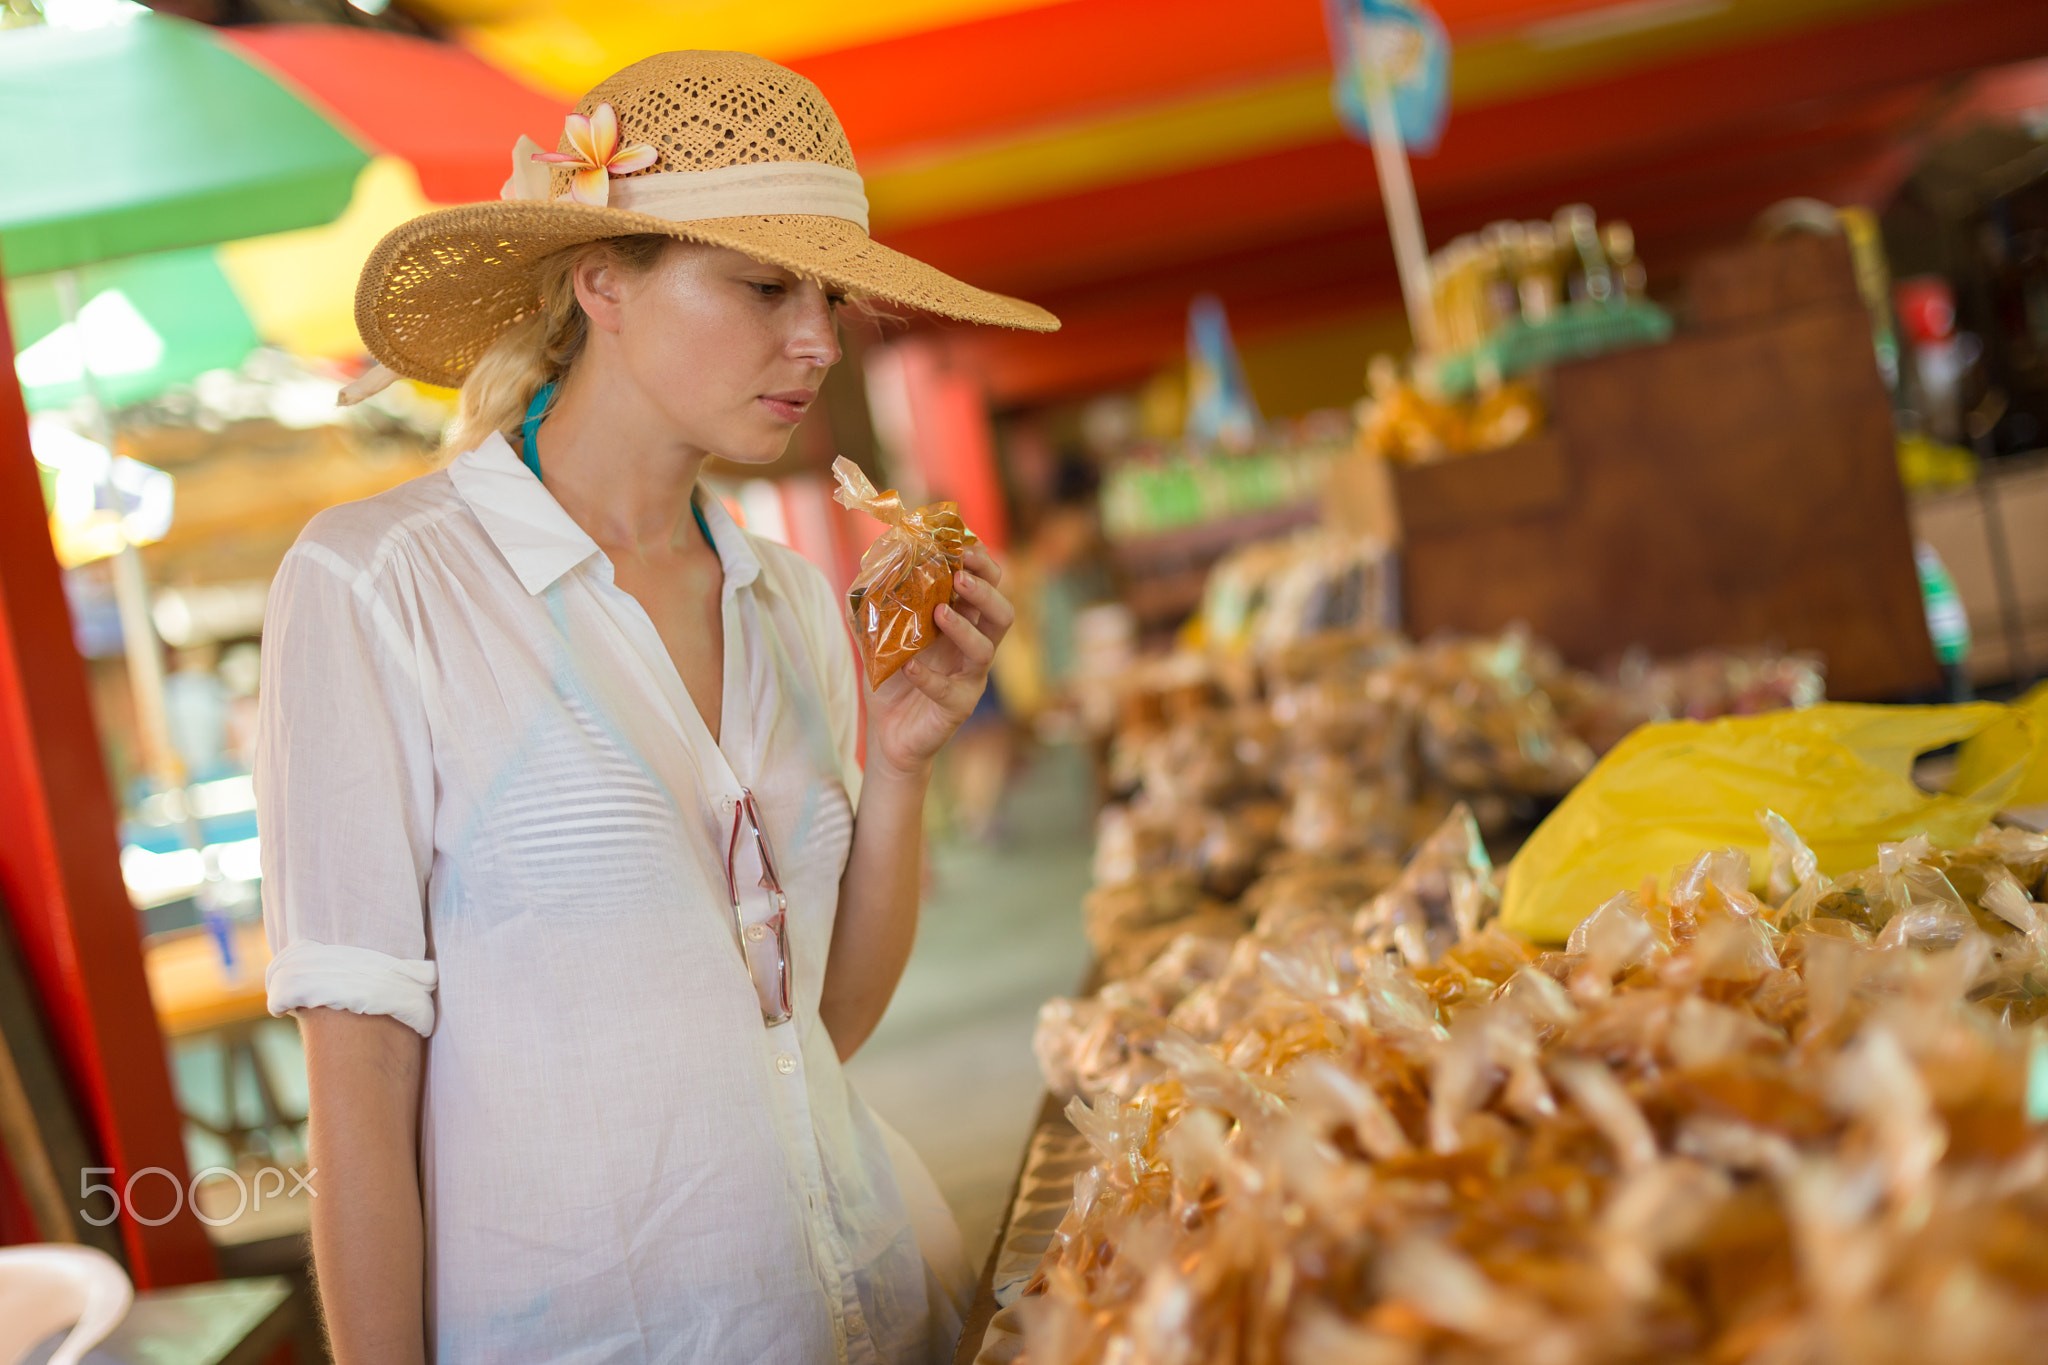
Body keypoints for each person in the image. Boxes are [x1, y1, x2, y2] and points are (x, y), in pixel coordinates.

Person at [255, 51, 1057, 1365]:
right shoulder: (382, 588)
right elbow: (358, 1092)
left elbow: (812, 1027)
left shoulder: (790, 600)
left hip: (871, 1301)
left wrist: (904, 761)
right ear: (601, 279)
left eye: (829, 296)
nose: (816, 338)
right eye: (762, 286)